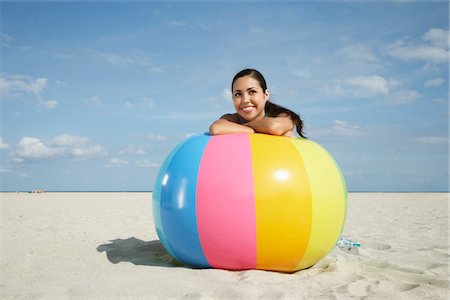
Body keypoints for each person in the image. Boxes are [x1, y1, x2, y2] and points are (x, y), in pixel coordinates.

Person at [209, 68, 306, 138]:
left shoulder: (282, 116)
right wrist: (257, 130)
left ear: (266, 94)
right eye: (238, 94)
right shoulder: (232, 118)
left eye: (252, 92)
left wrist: (244, 129)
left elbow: (273, 127)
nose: (245, 100)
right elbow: (216, 128)